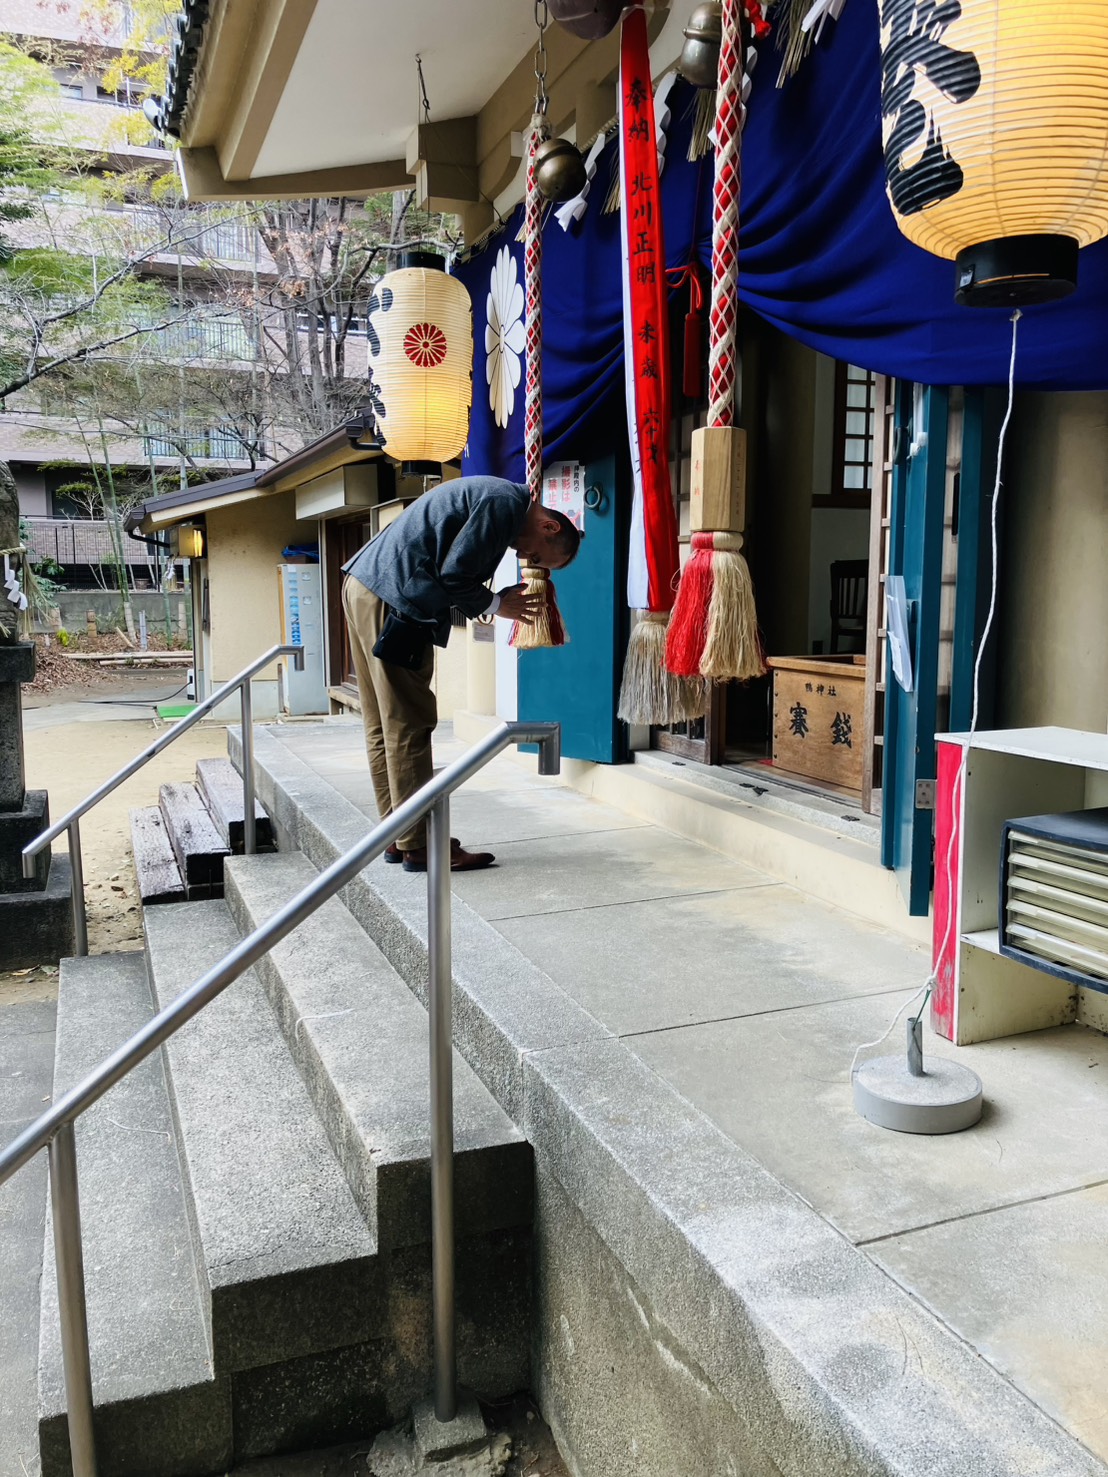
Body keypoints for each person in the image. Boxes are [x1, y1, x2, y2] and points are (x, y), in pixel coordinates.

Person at [342, 474, 581, 872]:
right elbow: (455, 576)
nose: (528, 561)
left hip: (367, 586)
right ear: (549, 526)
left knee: (382, 722)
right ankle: (421, 844)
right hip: (395, 597)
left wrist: (491, 600)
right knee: (409, 722)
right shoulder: (504, 503)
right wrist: (497, 605)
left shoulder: (496, 496)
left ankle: (398, 833)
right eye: (538, 557)